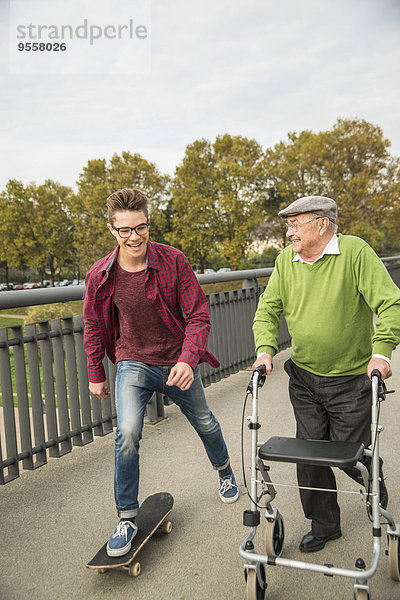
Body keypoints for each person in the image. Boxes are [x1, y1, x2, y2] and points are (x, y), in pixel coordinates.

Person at [83, 188, 238, 558]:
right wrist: (96, 372)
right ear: (112, 230)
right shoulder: (100, 275)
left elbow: (198, 314)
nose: (134, 236)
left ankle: (225, 470)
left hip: (176, 360)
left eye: (141, 227)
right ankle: (126, 517)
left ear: (149, 222)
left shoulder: (173, 261)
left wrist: (188, 359)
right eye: (125, 230)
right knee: (127, 433)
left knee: (204, 421)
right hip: (132, 361)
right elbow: (92, 324)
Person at [252, 195, 400, 553]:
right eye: (288, 224)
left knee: (348, 452)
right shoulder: (286, 261)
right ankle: (324, 524)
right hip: (304, 376)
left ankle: (371, 476)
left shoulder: (355, 252)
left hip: (352, 378)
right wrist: (265, 349)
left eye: (294, 223)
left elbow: (390, 302)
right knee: (310, 451)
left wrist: (381, 353)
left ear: (322, 224)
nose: (289, 232)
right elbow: (268, 309)